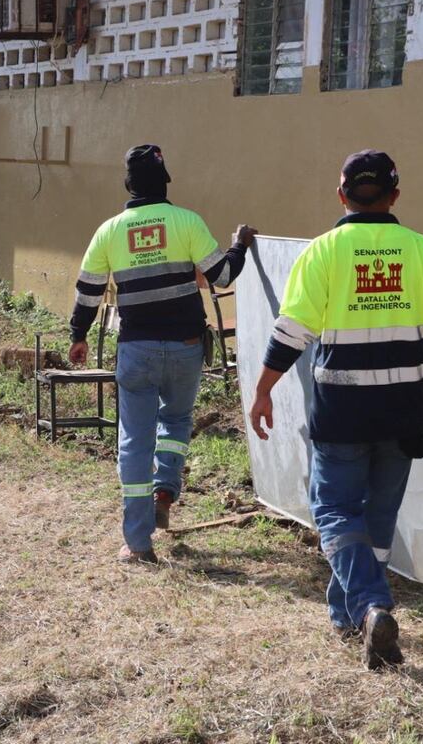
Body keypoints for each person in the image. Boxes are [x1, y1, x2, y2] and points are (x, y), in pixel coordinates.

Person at [248, 150, 423, 670]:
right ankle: (350, 618)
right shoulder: (422, 253)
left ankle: (371, 606)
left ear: (341, 194)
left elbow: (291, 332)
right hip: (402, 409)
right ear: (395, 195)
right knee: (375, 519)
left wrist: (263, 390)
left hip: (342, 409)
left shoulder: (323, 253)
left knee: (333, 511)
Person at [70, 144, 256, 564]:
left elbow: (89, 292)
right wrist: (238, 244)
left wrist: (78, 335)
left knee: (135, 441)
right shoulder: (187, 221)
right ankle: (165, 491)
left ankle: (138, 543)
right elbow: (223, 275)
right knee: (175, 421)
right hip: (188, 346)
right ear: (165, 181)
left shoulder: (110, 231)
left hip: (136, 349)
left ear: (128, 185)